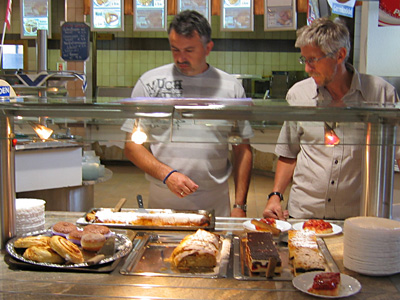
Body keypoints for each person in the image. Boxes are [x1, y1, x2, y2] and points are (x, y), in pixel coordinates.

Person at [263, 17, 400, 220]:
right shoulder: (298, 94)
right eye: (304, 59)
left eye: (313, 60)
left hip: (357, 218)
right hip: (304, 215)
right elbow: (288, 153)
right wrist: (275, 196)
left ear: (340, 55)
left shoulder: (381, 94)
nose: (307, 68)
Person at [121, 10, 253, 217]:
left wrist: (240, 205)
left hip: (215, 201)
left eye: (189, 50)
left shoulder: (231, 87)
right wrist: (168, 175)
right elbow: (131, 146)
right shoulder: (149, 83)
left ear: (208, 47)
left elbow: (242, 149)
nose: (180, 58)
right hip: (163, 198)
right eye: (175, 49)